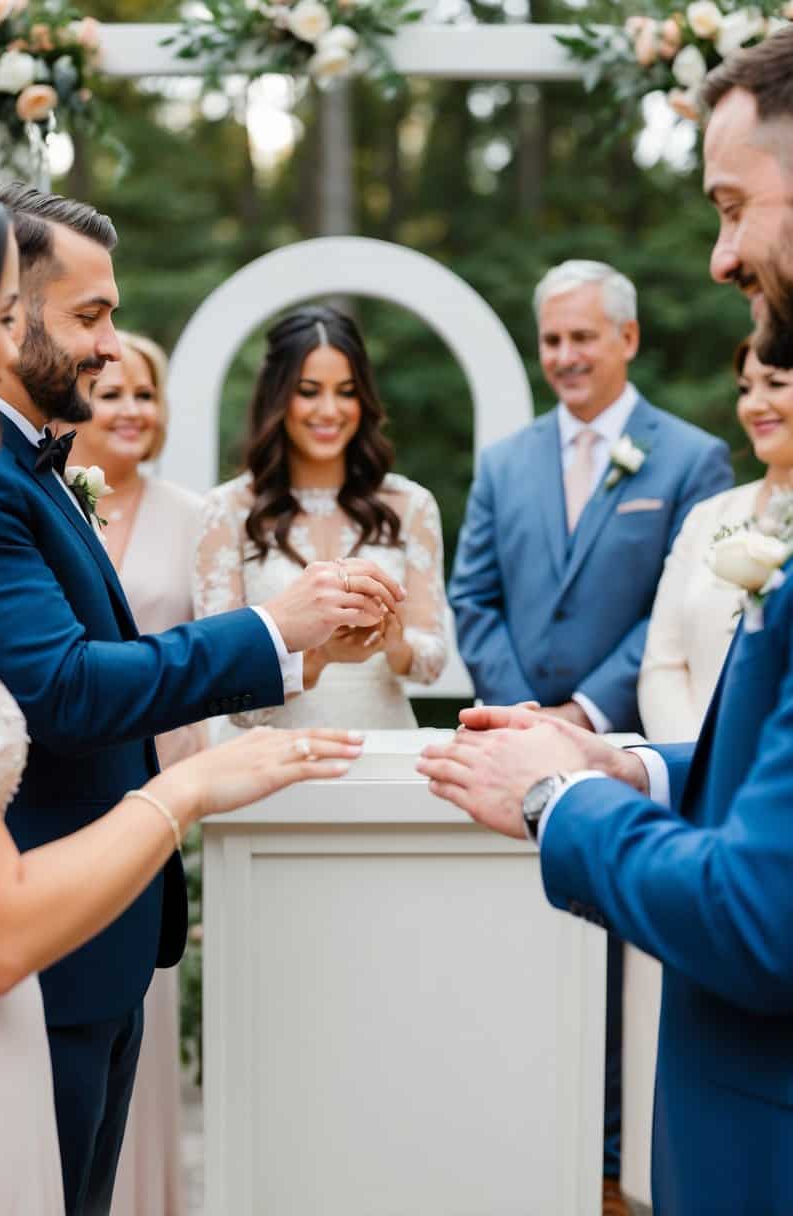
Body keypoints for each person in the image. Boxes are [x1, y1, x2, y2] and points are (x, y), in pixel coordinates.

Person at [0, 182, 404, 1216]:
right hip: (31, 947)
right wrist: (264, 631)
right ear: (4, 314)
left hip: (93, 949)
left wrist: (301, 650)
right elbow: (62, 688)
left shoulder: (30, 467)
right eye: (90, 315)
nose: (113, 346)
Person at [418, 27, 793, 1215]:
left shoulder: (684, 459)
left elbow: (758, 914)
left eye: (734, 207)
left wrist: (554, 793)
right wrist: (614, 759)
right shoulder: (506, 459)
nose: (722, 256)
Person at [448, 258, 732, 1214]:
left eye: (582, 337)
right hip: (513, 733)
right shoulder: (503, 461)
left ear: (628, 340)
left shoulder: (689, 458)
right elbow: (470, 598)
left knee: (616, 964)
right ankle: (519, 1137)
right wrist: (522, 711)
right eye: (552, 339)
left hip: (621, 746)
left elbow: (675, 610)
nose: (564, 357)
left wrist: (581, 719)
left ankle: (611, 1163)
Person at [68, 332, 204, 1216]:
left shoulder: (194, 516)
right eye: (110, 391)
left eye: (143, 395)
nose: (128, 409)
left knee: (138, 1024)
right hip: (55, 788)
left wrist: (178, 788)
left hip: (158, 786)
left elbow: (205, 658)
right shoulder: (45, 505)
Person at [194, 305, 447, 731]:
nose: (330, 410)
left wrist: (394, 643)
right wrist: (318, 658)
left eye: (346, 391)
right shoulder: (227, 512)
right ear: (277, 396)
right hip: (267, 761)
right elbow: (227, 692)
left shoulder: (411, 505)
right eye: (309, 391)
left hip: (382, 753)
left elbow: (431, 660)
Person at [640, 336, 792, 742]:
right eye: (745, 389)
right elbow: (662, 664)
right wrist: (696, 764)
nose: (754, 404)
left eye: (775, 384)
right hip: (697, 774)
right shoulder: (708, 518)